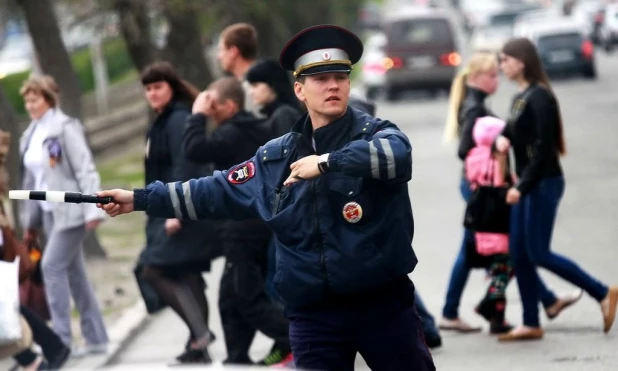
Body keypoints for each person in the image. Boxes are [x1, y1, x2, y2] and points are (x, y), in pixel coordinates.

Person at [96, 25, 435, 371]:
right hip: (313, 315)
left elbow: (398, 156)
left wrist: (327, 163)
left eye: (340, 77)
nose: (332, 85)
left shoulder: (377, 134)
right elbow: (213, 190)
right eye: (320, 79)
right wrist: (138, 199)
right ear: (299, 90)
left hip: (382, 306)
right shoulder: (276, 156)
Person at [440, 52, 582, 333]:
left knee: (492, 248)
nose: (497, 79)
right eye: (492, 75)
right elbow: (464, 147)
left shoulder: (476, 103)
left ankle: (490, 312)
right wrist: (495, 143)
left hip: (481, 186)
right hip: (482, 188)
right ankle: (458, 311)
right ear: (478, 77)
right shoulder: (474, 107)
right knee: (491, 247)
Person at [495, 37, 618, 341]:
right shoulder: (520, 97)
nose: (502, 66)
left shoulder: (540, 97)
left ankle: (603, 292)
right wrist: (502, 137)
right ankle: (530, 321)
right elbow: (514, 129)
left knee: (537, 252)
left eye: (505, 60)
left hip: (542, 183)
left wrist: (521, 187)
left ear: (521, 61)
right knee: (519, 253)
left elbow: (543, 147)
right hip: (527, 184)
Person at [182, 77, 292, 366]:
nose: (210, 111)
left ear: (230, 106)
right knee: (230, 298)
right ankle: (236, 357)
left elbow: (194, 148)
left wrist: (197, 115)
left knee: (246, 297)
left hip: (242, 228)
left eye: (214, 105)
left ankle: (297, 336)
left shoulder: (232, 133)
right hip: (254, 225)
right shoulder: (253, 128)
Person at [18, 75, 109, 356]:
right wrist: (29, 222)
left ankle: (61, 341)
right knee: (75, 274)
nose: (30, 105)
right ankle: (96, 338)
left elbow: (85, 168)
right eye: (27, 100)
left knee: (51, 267)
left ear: (48, 99)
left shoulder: (64, 127)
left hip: (72, 210)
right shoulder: (31, 134)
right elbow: (31, 179)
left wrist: (93, 208)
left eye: (35, 99)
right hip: (47, 212)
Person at [137, 62, 217, 363]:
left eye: (157, 87)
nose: (152, 93)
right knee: (187, 273)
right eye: (148, 89)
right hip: (169, 205)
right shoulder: (162, 120)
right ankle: (199, 345)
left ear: (171, 87)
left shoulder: (177, 119)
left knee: (153, 270)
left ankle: (200, 334)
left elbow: (185, 166)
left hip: (178, 207)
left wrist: (175, 211)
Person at [464, 116, 514, 334]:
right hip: (498, 216)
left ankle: (497, 319)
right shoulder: (498, 155)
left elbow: (471, 180)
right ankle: (487, 305)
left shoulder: (472, 155)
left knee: (498, 267)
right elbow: (500, 182)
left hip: (480, 215)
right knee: (507, 265)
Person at [246, 58, 303, 137]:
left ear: (272, 85)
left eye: (255, 86)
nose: (250, 92)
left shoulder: (284, 115)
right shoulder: (277, 114)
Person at [217, 23, 260, 115]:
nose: (219, 57)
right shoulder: (261, 79)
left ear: (233, 51)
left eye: (221, 50)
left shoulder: (254, 85)